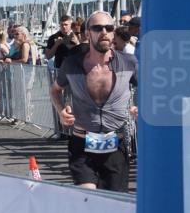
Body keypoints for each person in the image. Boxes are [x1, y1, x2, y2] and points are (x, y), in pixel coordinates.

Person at [50, 10, 137, 192]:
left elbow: (149, 89)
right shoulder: (72, 64)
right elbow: (55, 90)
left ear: (114, 32)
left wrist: (140, 106)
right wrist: (61, 112)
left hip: (116, 145)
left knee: (114, 206)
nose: (104, 31)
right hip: (82, 144)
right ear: (88, 33)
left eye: (109, 27)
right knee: (88, 199)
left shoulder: (129, 63)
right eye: (98, 28)